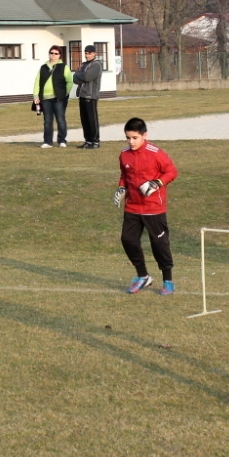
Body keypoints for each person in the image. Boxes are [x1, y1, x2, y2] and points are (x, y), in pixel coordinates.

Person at [114, 117, 179, 295]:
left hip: (153, 208)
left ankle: (168, 280)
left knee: (159, 245)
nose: (131, 141)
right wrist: (121, 188)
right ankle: (143, 276)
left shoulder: (156, 153)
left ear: (144, 135)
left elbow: (172, 172)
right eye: (128, 137)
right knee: (128, 240)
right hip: (132, 207)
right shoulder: (124, 154)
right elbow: (124, 175)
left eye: (135, 138)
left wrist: (157, 183)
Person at [33, 46, 73, 148]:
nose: (53, 55)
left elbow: (69, 81)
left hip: (58, 98)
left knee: (60, 119)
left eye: (56, 53)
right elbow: (37, 81)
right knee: (47, 120)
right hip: (46, 98)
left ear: (59, 55)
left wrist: (65, 93)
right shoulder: (43, 67)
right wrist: (36, 95)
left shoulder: (63, 67)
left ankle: (62, 140)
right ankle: (47, 141)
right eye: (51, 53)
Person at [73, 44, 103, 149]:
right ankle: (88, 140)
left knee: (92, 119)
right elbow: (75, 78)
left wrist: (79, 75)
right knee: (84, 119)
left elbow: (87, 76)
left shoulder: (96, 65)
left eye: (89, 53)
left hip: (91, 95)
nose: (87, 55)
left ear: (94, 53)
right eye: (86, 53)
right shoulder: (84, 64)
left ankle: (95, 141)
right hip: (82, 95)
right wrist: (79, 75)